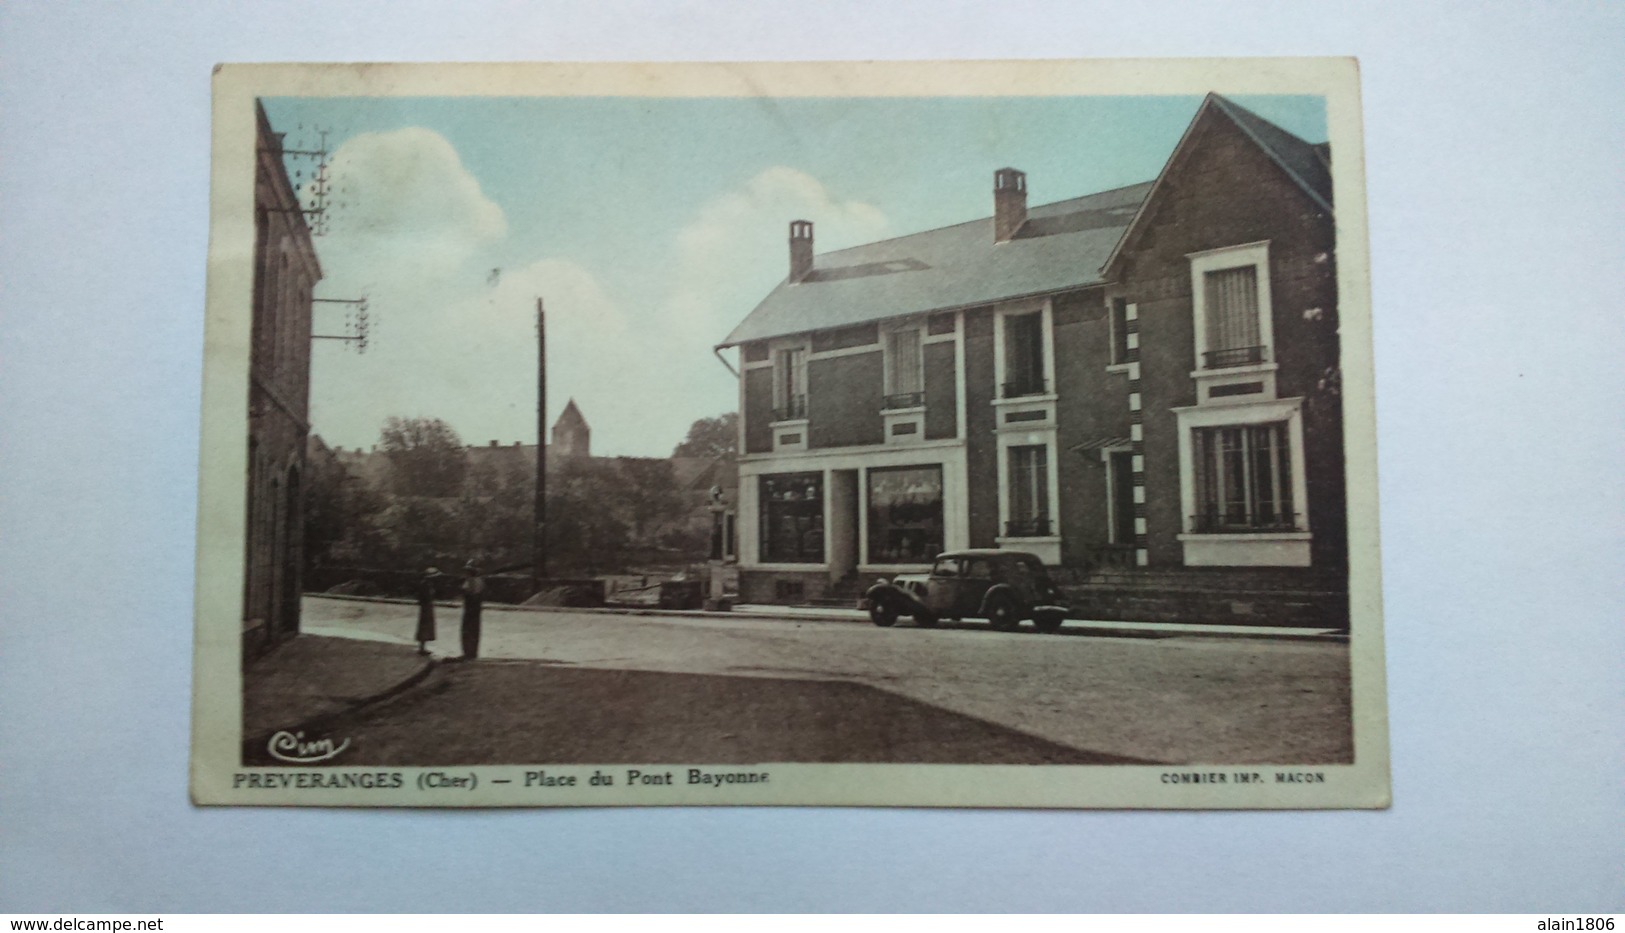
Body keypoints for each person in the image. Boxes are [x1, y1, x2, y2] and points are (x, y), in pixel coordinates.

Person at [460, 560, 485, 660]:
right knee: (474, 630)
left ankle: (468, 652)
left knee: (468, 630)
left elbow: (471, 594)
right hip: (475, 608)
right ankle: (472, 652)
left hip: (471, 608)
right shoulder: (479, 581)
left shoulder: (472, 581)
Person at [414, 567, 439, 655]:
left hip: (427, 606)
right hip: (426, 607)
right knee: (425, 626)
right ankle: (422, 647)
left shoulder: (427, 584)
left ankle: (423, 646)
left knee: (425, 626)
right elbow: (424, 597)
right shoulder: (425, 585)